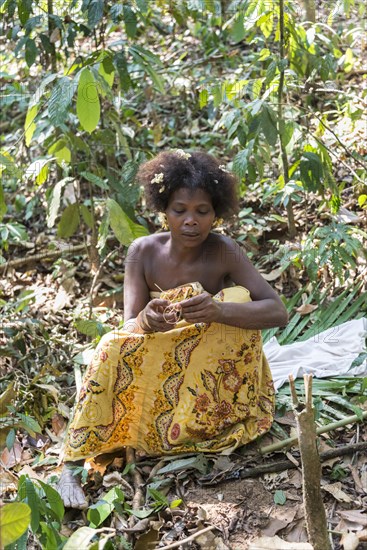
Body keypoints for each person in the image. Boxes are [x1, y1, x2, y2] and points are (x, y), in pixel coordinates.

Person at [58, 150, 288, 508]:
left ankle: (198, 424)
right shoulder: (142, 252)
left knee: (241, 299)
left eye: (202, 211)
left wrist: (219, 309)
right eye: (180, 210)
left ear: (216, 213)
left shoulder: (225, 251)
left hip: (205, 379)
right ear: (164, 211)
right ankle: (70, 469)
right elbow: (128, 326)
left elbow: (278, 312)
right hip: (156, 356)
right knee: (109, 344)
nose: (191, 221)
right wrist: (147, 320)